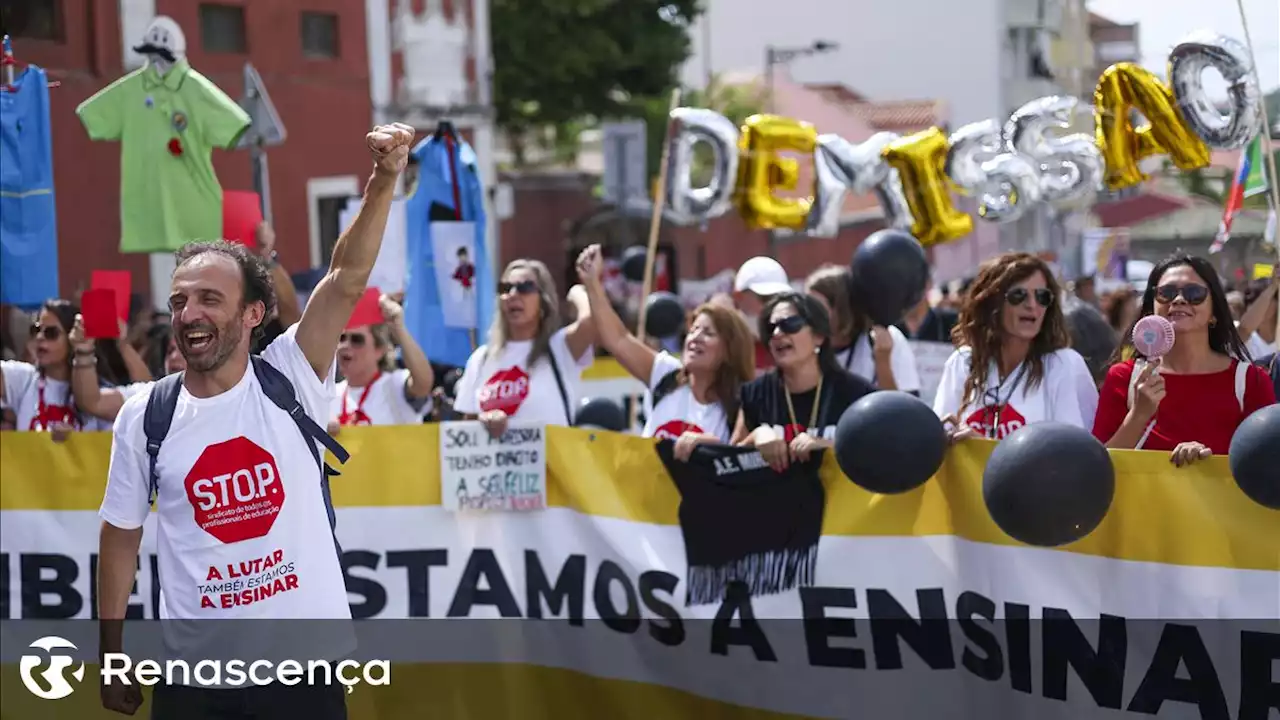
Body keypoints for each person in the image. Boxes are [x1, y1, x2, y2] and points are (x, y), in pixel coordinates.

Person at [96, 123, 415, 718]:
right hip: (193, 688)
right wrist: (111, 655)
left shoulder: (291, 373)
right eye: (179, 301)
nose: (188, 313)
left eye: (209, 299)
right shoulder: (146, 414)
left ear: (252, 314)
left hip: (304, 679)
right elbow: (119, 538)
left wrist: (383, 181)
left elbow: (345, 279)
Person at [1092, 255, 1276, 466]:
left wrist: (1206, 462)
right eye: (1166, 293)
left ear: (1213, 312)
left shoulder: (1251, 382)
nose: (1179, 300)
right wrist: (1138, 415)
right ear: (1152, 307)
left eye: (1194, 293)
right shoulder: (1124, 378)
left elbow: (1268, 470)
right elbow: (1099, 469)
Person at [576, 244, 754, 455]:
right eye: (694, 329)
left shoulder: (742, 408)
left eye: (708, 333)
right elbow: (618, 339)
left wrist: (712, 447)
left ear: (729, 350)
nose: (695, 338)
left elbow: (740, 467)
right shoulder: (666, 375)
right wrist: (592, 283)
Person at [934, 253, 1098, 442]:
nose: (1032, 305)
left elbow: (1076, 453)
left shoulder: (1063, 365)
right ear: (993, 302)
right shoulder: (963, 362)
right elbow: (939, 439)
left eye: (1042, 297)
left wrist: (984, 448)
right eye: (1018, 295)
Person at [731, 292, 875, 473]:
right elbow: (728, 463)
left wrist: (828, 448)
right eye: (771, 328)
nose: (777, 333)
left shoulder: (858, 395)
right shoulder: (755, 393)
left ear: (819, 336)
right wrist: (757, 436)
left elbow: (876, 455)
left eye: (789, 324)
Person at [452, 258, 596, 437]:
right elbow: (464, 429)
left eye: (525, 288)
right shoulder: (481, 359)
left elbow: (591, 321)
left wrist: (576, 292)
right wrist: (484, 420)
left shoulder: (560, 347)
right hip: (495, 463)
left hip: (550, 463)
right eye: (505, 288)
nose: (513, 295)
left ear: (543, 301)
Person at [0, 298, 128, 435]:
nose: (40, 337)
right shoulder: (23, 379)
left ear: (73, 338)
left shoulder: (99, 394)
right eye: (36, 329)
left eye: (51, 333)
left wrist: (75, 444)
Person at [805, 264, 921, 394]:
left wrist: (883, 361)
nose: (809, 314)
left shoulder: (885, 339)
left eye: (816, 307)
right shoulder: (806, 346)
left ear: (842, 309)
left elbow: (903, 408)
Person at [328, 292, 434, 428]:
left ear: (379, 350)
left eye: (357, 340)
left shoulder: (396, 385)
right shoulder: (329, 396)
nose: (345, 346)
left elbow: (423, 383)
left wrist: (399, 328)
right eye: (341, 338)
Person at [733, 256, 792, 374]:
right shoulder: (724, 349)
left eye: (780, 299)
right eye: (766, 299)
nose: (774, 307)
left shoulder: (795, 347)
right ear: (738, 297)